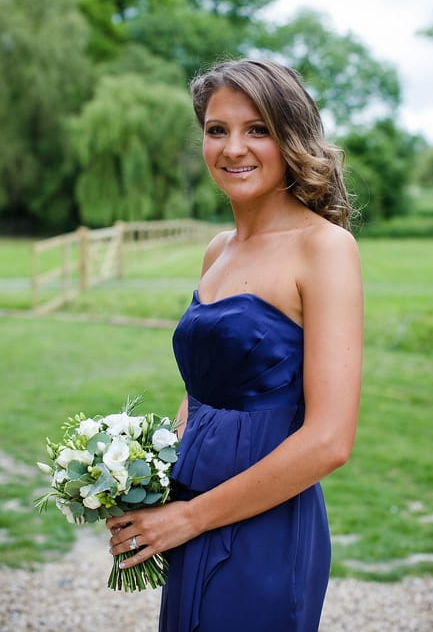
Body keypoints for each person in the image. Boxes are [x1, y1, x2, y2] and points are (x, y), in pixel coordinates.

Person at [107, 58, 363, 631]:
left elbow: (329, 441)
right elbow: (203, 390)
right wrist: (144, 476)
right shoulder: (217, 250)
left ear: (291, 137)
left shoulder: (324, 249)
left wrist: (190, 518)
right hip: (189, 502)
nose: (233, 148)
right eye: (217, 129)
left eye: (258, 129)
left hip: (263, 521)